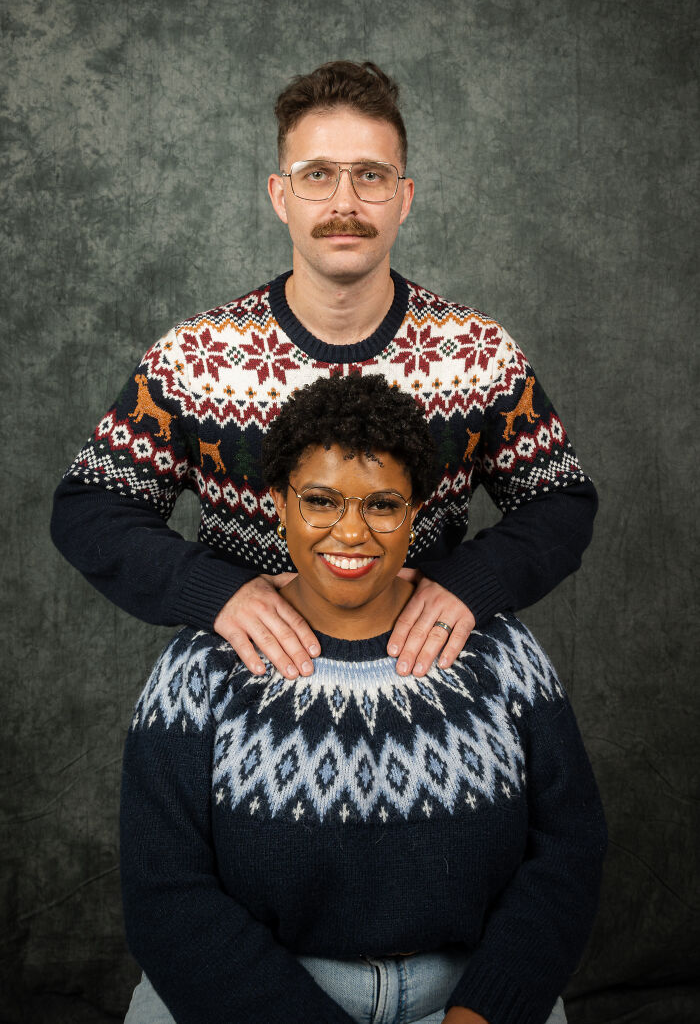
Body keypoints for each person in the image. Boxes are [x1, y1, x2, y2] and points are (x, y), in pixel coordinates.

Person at [51, 60, 597, 680]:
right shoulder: (195, 357)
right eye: (317, 176)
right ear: (281, 196)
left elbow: (560, 501)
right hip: (249, 684)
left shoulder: (477, 350)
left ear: (404, 198)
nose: (345, 202)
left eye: (371, 176)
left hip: (422, 673)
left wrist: (472, 582)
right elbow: (90, 507)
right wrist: (218, 591)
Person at [120, 373, 606, 1024]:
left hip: (468, 989)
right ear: (280, 503)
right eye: (320, 500)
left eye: (382, 505)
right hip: (250, 994)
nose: (351, 532)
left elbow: (569, 847)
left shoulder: (497, 651)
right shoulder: (204, 666)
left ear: (416, 511)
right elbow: (164, 891)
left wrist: (485, 1010)